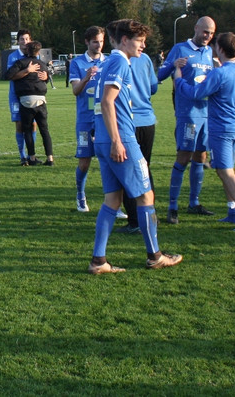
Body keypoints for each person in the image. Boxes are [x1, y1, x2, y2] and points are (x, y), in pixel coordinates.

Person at [89, 19, 182, 273]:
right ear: (125, 40)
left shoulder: (109, 62)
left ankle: (99, 261)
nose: (143, 45)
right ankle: (155, 256)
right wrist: (118, 141)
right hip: (121, 140)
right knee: (145, 195)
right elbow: (108, 102)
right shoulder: (119, 61)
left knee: (113, 199)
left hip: (105, 138)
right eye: (140, 41)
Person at [175, 32, 235, 231]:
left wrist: (178, 76)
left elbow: (195, 93)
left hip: (221, 128)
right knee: (224, 169)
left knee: (225, 171)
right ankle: (233, 211)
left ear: (220, 49)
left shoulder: (218, 73)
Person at [158, 16, 217, 223]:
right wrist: (172, 65)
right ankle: (172, 207)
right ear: (196, 28)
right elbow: (160, 75)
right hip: (188, 114)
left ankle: (194, 202)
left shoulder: (209, 52)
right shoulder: (180, 49)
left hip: (206, 113)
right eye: (205, 32)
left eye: (211, 33)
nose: (207, 37)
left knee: (200, 157)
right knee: (183, 157)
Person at [123, 41, 160, 233]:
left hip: (129, 122)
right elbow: (153, 87)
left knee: (128, 172)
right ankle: (151, 216)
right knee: (145, 169)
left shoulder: (117, 61)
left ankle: (135, 221)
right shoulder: (145, 59)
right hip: (148, 121)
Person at [69, 26, 106, 212]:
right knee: (84, 161)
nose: (99, 45)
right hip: (85, 119)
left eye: (101, 41)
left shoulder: (109, 62)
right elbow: (76, 91)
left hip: (105, 118)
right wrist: (85, 78)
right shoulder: (77, 63)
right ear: (87, 42)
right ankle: (80, 195)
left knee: (110, 160)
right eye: (95, 42)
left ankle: (113, 202)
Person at [5, 40, 55, 166]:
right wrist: (47, 77)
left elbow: (8, 75)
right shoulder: (42, 64)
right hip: (41, 100)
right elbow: (45, 78)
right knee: (44, 130)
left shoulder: (21, 62)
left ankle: (31, 157)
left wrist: (26, 71)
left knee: (26, 129)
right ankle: (50, 158)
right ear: (38, 52)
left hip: (26, 100)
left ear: (27, 50)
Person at [6, 30, 38, 165]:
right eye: (22, 39)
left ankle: (32, 155)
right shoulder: (13, 57)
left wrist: (46, 76)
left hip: (32, 95)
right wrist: (27, 71)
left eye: (27, 39)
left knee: (33, 125)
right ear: (18, 41)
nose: (25, 42)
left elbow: (40, 72)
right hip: (16, 96)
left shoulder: (36, 56)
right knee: (19, 125)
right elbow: (11, 76)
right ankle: (22, 156)